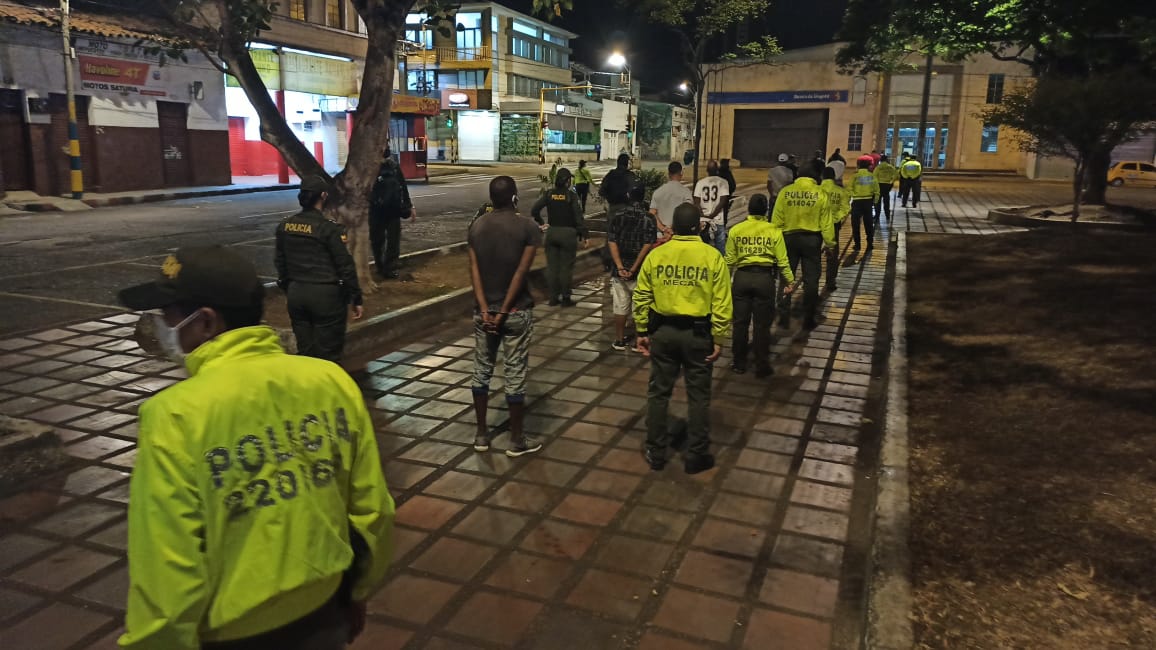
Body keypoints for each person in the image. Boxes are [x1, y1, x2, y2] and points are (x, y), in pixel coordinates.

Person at [116, 246, 394, 650]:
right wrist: (358, 590)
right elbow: (373, 509)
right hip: (324, 613)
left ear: (206, 321)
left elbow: (167, 566)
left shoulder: (173, 416)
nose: (161, 325)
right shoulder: (328, 380)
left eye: (170, 314)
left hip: (234, 636)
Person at [634, 203, 732, 474]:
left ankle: (656, 451)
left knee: (658, 393)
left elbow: (641, 294)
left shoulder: (657, 255)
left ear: (674, 227)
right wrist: (719, 336)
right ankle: (696, 455)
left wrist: (642, 330)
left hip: (663, 333)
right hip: (699, 335)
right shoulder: (712, 257)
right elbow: (722, 302)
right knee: (698, 396)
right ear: (698, 226)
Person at [468, 176, 543, 457]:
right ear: (514, 197)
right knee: (514, 373)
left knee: (481, 370)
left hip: (482, 313)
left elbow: (474, 271)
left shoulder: (477, 227)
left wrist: (486, 309)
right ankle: (516, 439)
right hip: (515, 313)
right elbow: (521, 273)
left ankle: (481, 435)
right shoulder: (528, 227)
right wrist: (501, 312)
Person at [275, 175, 364, 363]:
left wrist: (289, 288)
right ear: (323, 196)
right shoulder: (328, 229)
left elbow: (280, 263)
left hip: (296, 294)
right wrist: (355, 297)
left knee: (305, 353)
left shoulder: (285, 226)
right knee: (328, 353)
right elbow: (345, 265)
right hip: (326, 296)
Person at [725, 193, 794, 377]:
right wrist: (790, 280)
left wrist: (724, 284)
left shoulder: (736, 230)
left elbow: (729, 260)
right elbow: (782, 260)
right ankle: (761, 364)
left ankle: (739, 363)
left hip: (742, 278)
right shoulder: (774, 231)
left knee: (740, 323)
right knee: (762, 325)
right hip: (765, 279)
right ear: (766, 210)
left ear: (749, 209)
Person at [773, 164, 833, 330]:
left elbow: (776, 221)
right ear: (815, 178)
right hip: (812, 240)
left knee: (786, 277)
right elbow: (826, 223)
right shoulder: (821, 193)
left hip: (788, 239)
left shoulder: (785, 192)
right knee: (811, 280)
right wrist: (830, 244)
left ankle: (783, 316)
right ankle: (808, 317)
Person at [609, 183, 658, 351]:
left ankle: (620, 339)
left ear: (628, 196)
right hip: (640, 271)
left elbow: (612, 241)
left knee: (620, 305)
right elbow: (648, 244)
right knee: (640, 306)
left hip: (619, 270)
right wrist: (634, 268)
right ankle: (639, 340)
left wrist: (620, 266)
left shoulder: (617, 215)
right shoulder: (648, 219)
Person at [531, 168, 588, 307]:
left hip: (552, 233)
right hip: (568, 234)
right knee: (566, 267)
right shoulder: (571, 196)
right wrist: (583, 234)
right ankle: (566, 298)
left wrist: (541, 222)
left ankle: (553, 298)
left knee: (552, 267)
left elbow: (534, 210)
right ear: (568, 181)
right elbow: (578, 216)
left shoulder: (549, 194)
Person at [368, 149, 415, 280]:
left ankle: (387, 267)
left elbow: (402, 187)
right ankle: (383, 266)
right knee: (379, 241)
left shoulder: (393, 167)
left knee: (390, 241)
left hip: (388, 210)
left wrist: (409, 205)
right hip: (379, 210)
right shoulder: (372, 168)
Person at [820, 166, 850, 293]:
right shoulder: (840, 191)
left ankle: (810, 281)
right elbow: (845, 208)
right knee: (833, 254)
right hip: (833, 225)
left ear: (822, 176)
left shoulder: (816, 190)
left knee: (814, 255)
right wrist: (835, 218)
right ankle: (830, 280)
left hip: (816, 225)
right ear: (834, 177)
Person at [694, 159, 731, 254]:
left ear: (707, 170)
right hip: (718, 219)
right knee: (720, 249)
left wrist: (703, 215)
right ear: (717, 170)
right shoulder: (723, 182)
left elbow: (696, 202)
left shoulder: (700, 183)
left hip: (703, 221)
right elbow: (723, 201)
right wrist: (713, 215)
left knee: (703, 249)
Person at [650, 160, 694, 240]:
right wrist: (672, 229)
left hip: (662, 235)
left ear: (669, 174)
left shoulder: (658, 191)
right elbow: (688, 215)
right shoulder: (686, 192)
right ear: (681, 173)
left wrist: (664, 229)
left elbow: (652, 214)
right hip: (679, 235)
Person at [849, 158, 880, 252]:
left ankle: (857, 245)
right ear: (868, 166)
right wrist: (875, 201)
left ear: (859, 166)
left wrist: (849, 199)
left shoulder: (855, 176)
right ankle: (870, 243)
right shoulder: (872, 176)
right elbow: (877, 190)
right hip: (868, 202)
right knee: (869, 224)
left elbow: (849, 189)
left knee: (855, 224)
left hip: (857, 202)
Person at [873, 154, 899, 221]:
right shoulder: (891, 167)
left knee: (878, 201)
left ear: (880, 160)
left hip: (879, 185)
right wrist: (891, 181)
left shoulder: (878, 167)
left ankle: (877, 216)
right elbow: (896, 175)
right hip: (887, 185)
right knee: (886, 200)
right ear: (887, 159)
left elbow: (874, 176)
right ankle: (887, 215)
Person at [718, 158, 738, 227]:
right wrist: (729, 194)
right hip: (725, 197)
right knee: (724, 214)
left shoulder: (717, 172)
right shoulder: (727, 172)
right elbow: (732, 185)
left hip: (718, 197)